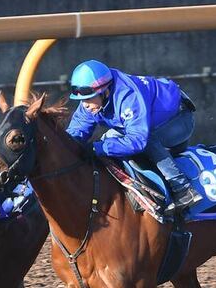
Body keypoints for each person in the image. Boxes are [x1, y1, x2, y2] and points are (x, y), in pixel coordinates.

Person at [65, 59, 203, 212]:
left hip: (178, 121)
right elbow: (75, 134)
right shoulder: (93, 99)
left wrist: (95, 148)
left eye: (89, 98)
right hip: (142, 124)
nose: (85, 105)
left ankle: (183, 188)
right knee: (108, 138)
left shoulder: (127, 96)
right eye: (81, 100)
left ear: (105, 91)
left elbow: (138, 140)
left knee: (144, 139)